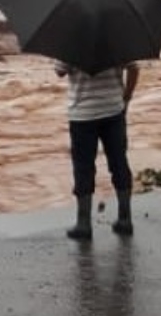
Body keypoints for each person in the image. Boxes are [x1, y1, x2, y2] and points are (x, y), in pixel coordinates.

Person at [54, 60, 139, 239]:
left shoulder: (71, 40)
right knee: (119, 163)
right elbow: (134, 69)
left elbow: (60, 71)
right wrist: (126, 97)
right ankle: (125, 219)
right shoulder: (118, 37)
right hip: (114, 111)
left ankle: (83, 224)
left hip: (82, 115)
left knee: (83, 168)